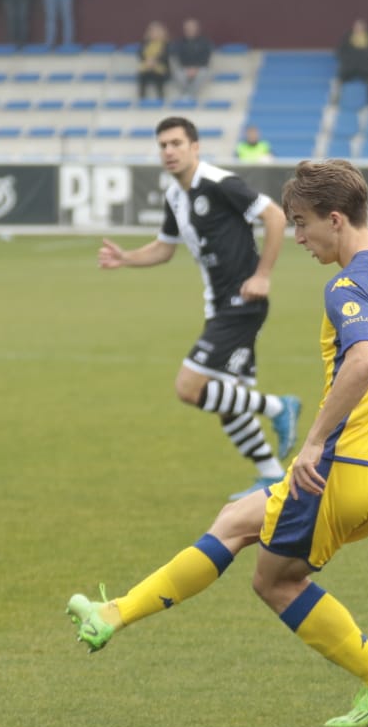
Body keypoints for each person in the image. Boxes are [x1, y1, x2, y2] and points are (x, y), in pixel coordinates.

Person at [67, 159, 368, 727]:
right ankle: (113, 613)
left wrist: (312, 443)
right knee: (236, 521)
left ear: (335, 219)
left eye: (302, 224)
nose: (298, 237)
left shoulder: (349, 286)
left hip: (340, 468)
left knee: (274, 580)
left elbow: (365, 359)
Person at [97, 117, 299, 500]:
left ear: (195, 147)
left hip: (243, 302)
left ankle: (278, 406)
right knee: (227, 401)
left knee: (190, 388)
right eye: (163, 145)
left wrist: (263, 275)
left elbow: (274, 215)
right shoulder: (175, 196)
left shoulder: (219, 183)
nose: (169, 152)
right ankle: (272, 475)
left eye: (176, 143)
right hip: (218, 304)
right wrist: (125, 258)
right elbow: (163, 248)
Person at [170, 18, 214, 99]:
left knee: (203, 73)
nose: (190, 30)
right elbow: (176, 57)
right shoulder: (179, 42)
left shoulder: (205, 41)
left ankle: (189, 95)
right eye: (188, 28)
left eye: (192, 28)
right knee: (177, 74)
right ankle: (188, 94)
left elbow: (206, 57)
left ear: (197, 29)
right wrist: (187, 69)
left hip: (200, 68)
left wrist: (196, 68)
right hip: (184, 68)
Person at [336, 19, 368, 86]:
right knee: (341, 76)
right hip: (351, 63)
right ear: (354, 27)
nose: (359, 29)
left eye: (361, 27)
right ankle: (337, 92)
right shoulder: (348, 35)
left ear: (365, 28)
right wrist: (344, 58)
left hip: (366, 63)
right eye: (357, 27)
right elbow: (341, 49)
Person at [135, 21, 171, 100]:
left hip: (161, 69)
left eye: (156, 32)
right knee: (142, 75)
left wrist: (154, 61)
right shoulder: (145, 43)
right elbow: (140, 54)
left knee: (158, 76)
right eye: (152, 31)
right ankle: (142, 99)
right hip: (147, 67)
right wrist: (148, 61)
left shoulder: (165, 44)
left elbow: (165, 56)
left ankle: (161, 99)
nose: (154, 34)